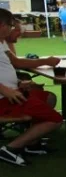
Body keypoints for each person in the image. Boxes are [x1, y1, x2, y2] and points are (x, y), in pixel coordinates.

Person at [0, 11, 62, 166]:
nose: (12, 29)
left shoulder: (1, 42)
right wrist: (4, 89)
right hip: (6, 98)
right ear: (2, 25)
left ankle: (31, 143)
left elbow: (10, 65)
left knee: (49, 98)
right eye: (11, 26)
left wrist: (17, 83)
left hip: (14, 93)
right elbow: (17, 63)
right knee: (55, 120)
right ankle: (10, 149)